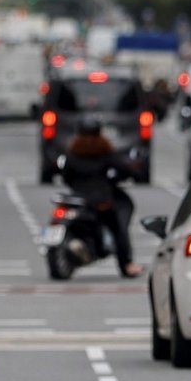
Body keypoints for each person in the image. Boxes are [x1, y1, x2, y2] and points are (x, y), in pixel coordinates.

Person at [61, 116, 144, 278]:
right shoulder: (103, 152)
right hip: (101, 199)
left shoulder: (72, 153)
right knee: (119, 229)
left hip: (77, 198)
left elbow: (66, 176)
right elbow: (123, 168)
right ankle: (126, 264)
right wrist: (132, 173)